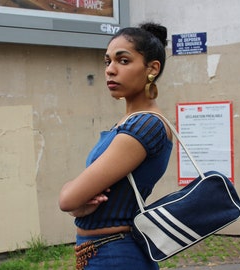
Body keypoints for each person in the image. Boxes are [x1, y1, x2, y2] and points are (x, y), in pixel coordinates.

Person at [59, 22, 173, 270]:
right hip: (102, 250)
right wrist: (79, 205)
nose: (110, 70)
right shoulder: (128, 123)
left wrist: (72, 195)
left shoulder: (144, 126)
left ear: (152, 68)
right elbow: (76, 204)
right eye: (107, 61)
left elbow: (67, 199)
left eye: (123, 61)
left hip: (116, 255)